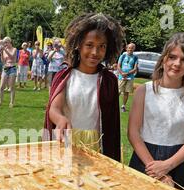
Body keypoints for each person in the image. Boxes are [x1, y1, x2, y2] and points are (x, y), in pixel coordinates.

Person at [44, 13, 124, 162]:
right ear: (78, 45)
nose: (95, 52)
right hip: (67, 141)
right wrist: (60, 119)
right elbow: (54, 108)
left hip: (96, 146)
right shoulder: (65, 76)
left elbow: (112, 124)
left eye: (101, 47)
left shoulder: (109, 81)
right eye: (89, 45)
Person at [128, 32, 184, 190]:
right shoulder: (144, 91)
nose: (177, 63)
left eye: (183, 60)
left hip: (178, 161)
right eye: (172, 57)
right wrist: (156, 170)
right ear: (163, 59)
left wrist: (168, 165)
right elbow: (133, 132)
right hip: (145, 158)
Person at [0, 37, 17, 108]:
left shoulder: (14, 49)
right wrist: (1, 52)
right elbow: (3, 61)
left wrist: (4, 49)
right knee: (1, 86)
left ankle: (11, 102)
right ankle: (0, 102)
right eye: (4, 43)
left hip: (12, 68)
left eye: (6, 42)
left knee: (12, 86)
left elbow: (12, 56)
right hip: (5, 68)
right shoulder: (4, 50)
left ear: (9, 42)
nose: (5, 44)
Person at [117, 43, 139, 112]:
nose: (130, 49)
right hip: (121, 76)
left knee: (126, 92)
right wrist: (122, 73)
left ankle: (123, 106)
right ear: (126, 48)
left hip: (130, 77)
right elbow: (118, 65)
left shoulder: (135, 57)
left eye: (132, 48)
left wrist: (127, 73)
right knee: (118, 91)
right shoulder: (123, 55)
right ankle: (112, 104)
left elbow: (135, 68)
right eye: (129, 48)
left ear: (134, 49)